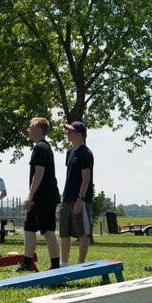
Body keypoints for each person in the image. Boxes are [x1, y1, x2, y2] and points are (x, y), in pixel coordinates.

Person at [18, 117, 61, 272]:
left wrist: (30, 195)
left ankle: (26, 264)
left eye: (30, 127)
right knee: (48, 231)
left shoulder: (39, 148)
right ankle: (55, 266)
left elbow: (39, 172)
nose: (28, 130)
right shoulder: (46, 147)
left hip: (42, 196)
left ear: (37, 128)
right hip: (51, 196)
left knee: (29, 228)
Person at [60, 121, 94, 267]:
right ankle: (64, 264)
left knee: (82, 232)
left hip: (80, 199)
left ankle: (80, 263)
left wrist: (80, 199)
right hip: (67, 198)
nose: (68, 134)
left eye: (70, 131)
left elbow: (86, 178)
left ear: (79, 135)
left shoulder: (86, 153)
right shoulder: (69, 152)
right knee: (64, 232)